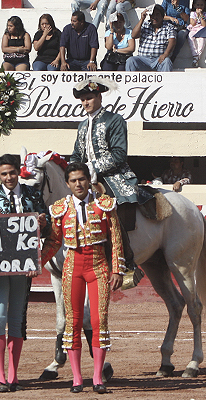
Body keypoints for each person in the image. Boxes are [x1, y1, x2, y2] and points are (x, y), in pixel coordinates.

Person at [40, 162, 123, 394]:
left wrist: (117, 269)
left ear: (89, 180)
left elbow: (116, 239)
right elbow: (55, 241)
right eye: (74, 181)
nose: (78, 184)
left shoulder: (104, 205)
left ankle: (97, 377)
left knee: (99, 322)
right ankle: (77, 378)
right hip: (72, 267)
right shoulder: (60, 208)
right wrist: (36, 262)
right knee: (73, 322)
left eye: (82, 179)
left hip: (98, 266)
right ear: (67, 184)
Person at [0, 154, 48, 393]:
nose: (8, 177)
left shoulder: (32, 195)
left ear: (19, 172)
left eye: (12, 173)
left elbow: (46, 224)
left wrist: (42, 222)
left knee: (17, 317)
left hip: (23, 267)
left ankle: (13, 374)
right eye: (4, 174)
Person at [70, 77, 148, 285]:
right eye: (83, 100)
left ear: (99, 96)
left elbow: (119, 154)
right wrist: (73, 169)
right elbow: (77, 154)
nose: (86, 103)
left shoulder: (115, 120)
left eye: (89, 98)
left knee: (112, 207)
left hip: (115, 177)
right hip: (87, 178)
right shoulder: (82, 126)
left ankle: (128, 264)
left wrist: (92, 168)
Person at [125, 4, 176, 72]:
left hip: (158, 60)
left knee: (167, 61)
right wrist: (142, 19)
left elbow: (172, 41)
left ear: (162, 16)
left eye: (157, 14)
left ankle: (165, 83)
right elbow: (134, 35)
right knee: (131, 60)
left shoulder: (169, 27)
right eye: (152, 15)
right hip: (143, 59)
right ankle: (131, 83)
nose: (154, 17)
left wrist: (165, 54)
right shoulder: (145, 24)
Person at [187, 0, 206, 67]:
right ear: (195, 5)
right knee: (190, 36)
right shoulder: (192, 13)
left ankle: (197, 56)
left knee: (202, 38)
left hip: (202, 29)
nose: (200, 7)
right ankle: (195, 54)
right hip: (194, 28)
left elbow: (205, 24)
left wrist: (201, 15)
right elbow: (192, 23)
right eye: (198, 5)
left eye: (201, 5)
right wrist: (196, 16)